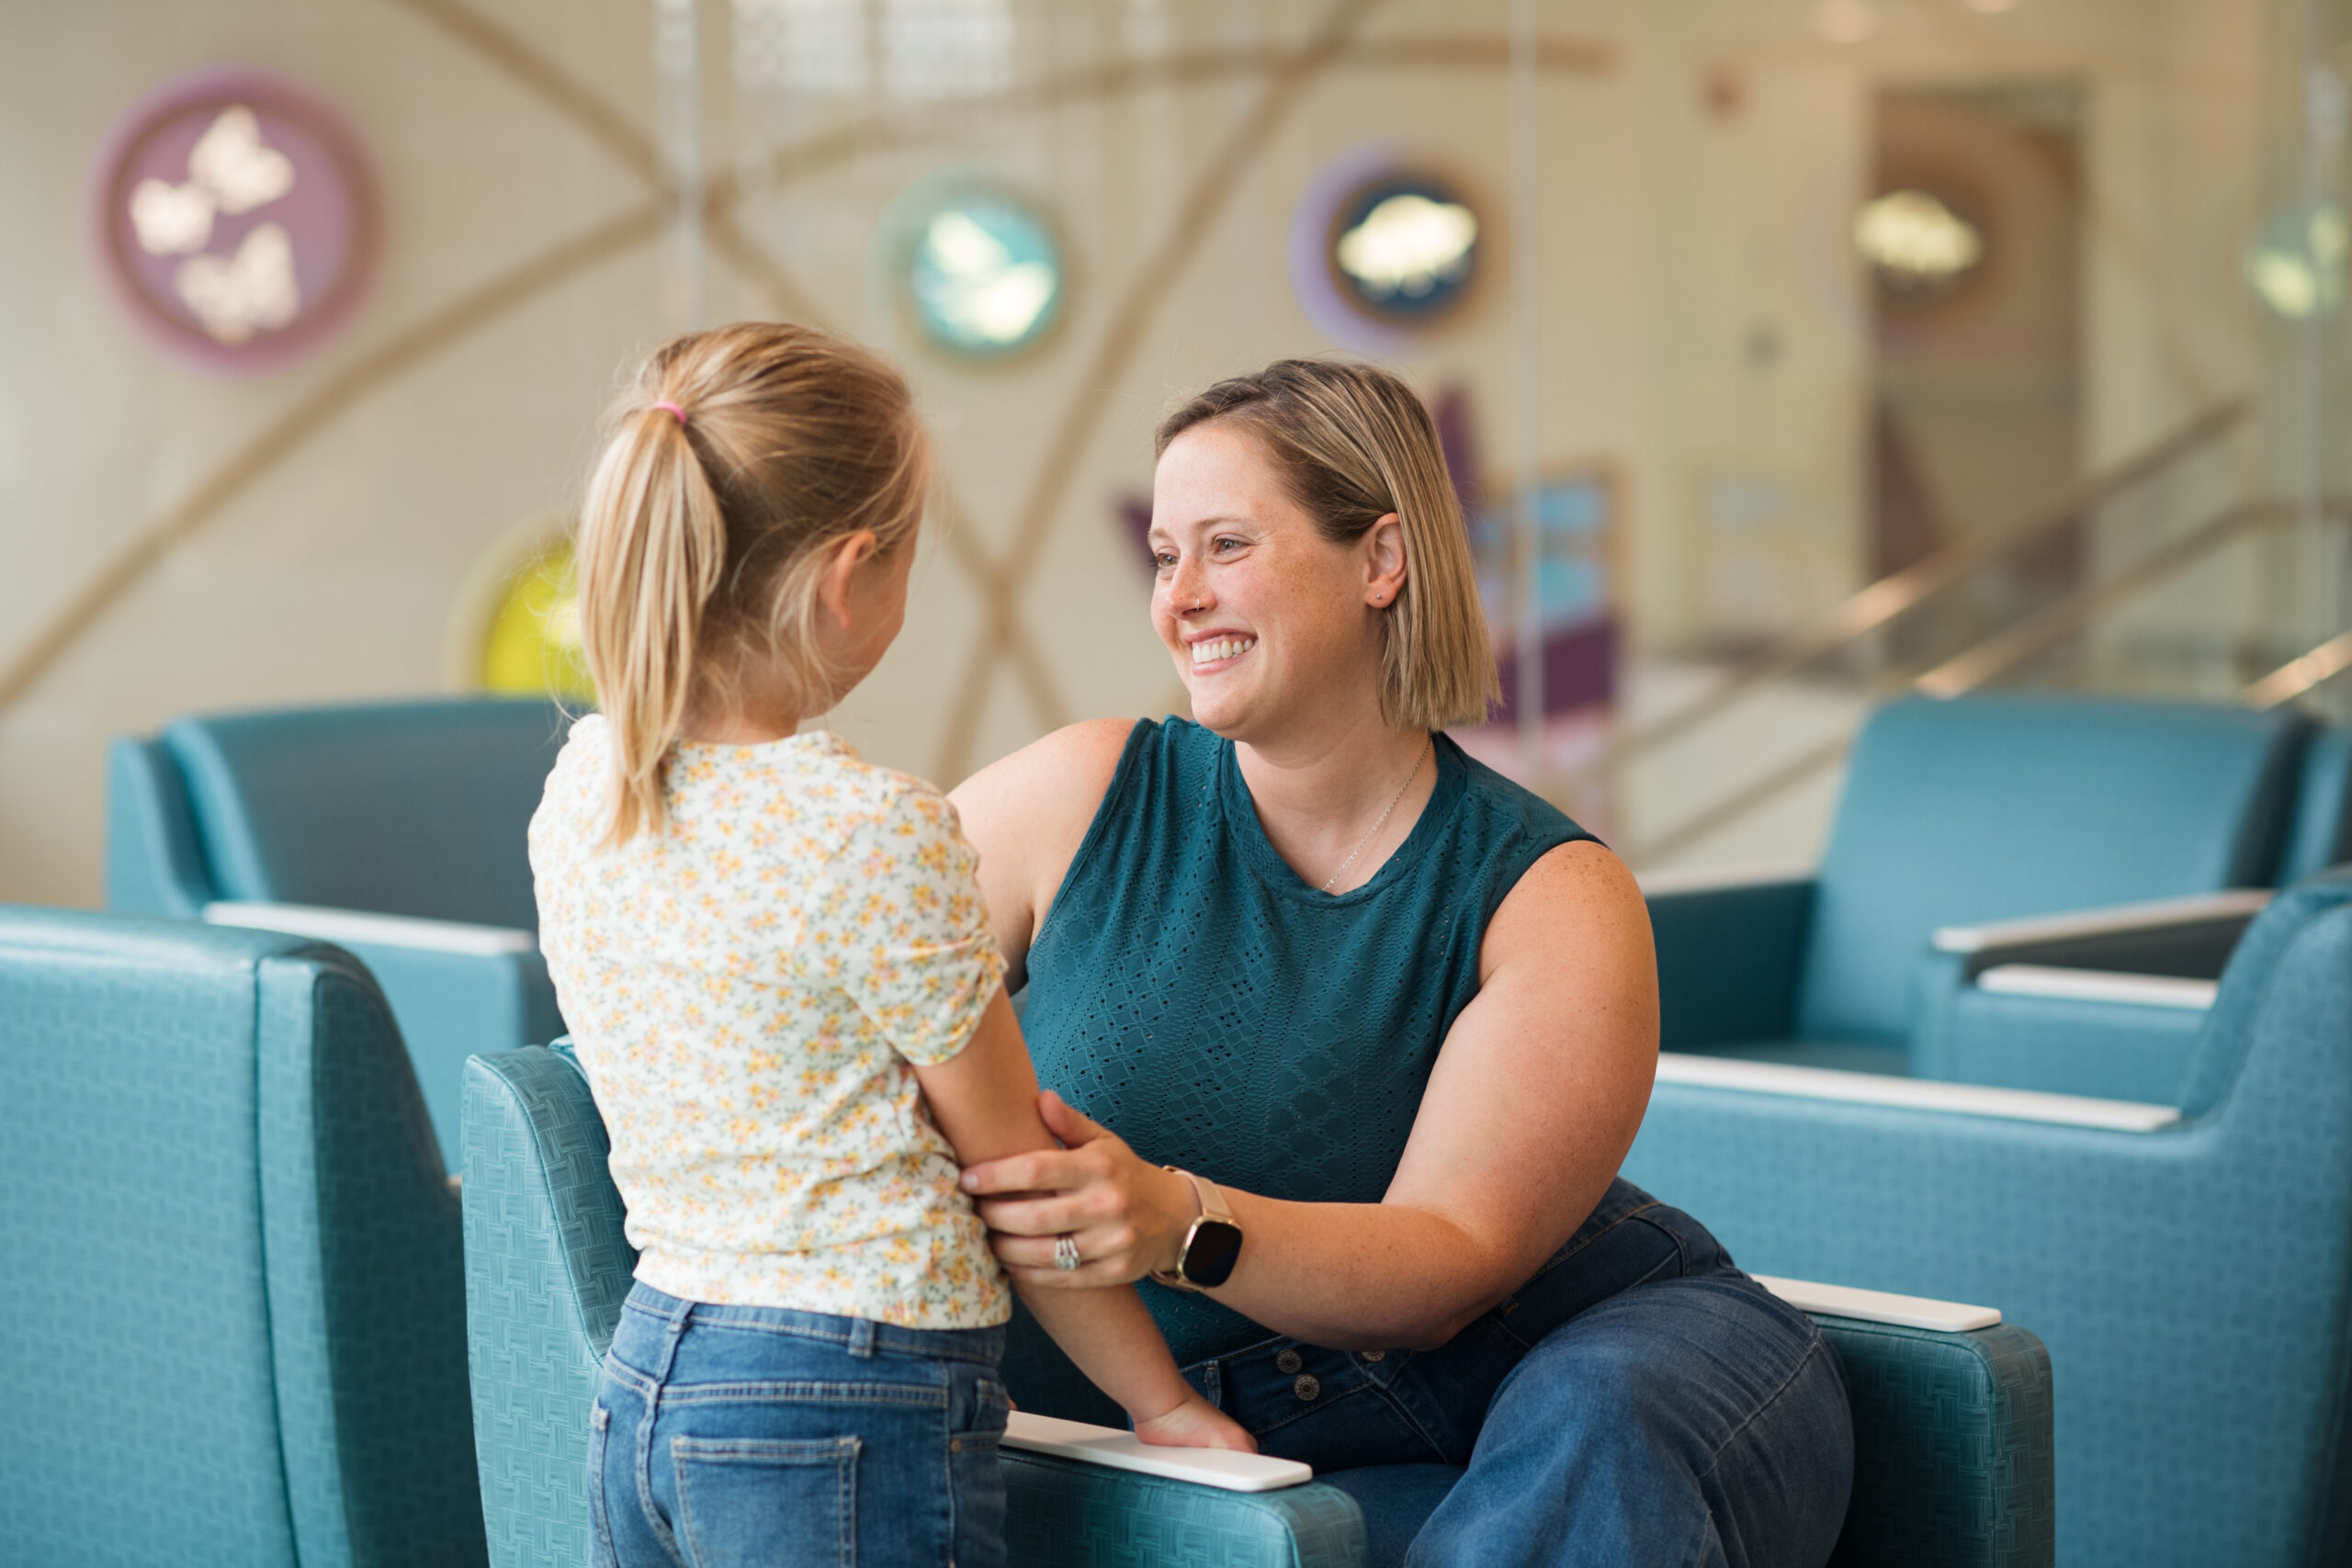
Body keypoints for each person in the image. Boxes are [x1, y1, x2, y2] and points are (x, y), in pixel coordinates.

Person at [950, 359, 1855, 1568]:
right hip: (1264, 1412)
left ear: (1382, 560)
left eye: (1227, 546)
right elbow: (839, 962)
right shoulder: (1079, 793)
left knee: (1598, 1433)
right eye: (1166, 558)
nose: (1180, 600)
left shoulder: (1553, 893)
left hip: (1596, 1341)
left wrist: (1178, 1219)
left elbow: (1451, 1259)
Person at [529, 322, 1251, 1568]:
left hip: (648, 1378)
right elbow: (1020, 1175)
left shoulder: (586, 785)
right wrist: (1164, 1403)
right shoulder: (871, 833)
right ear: (849, 573)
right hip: (843, 1399)